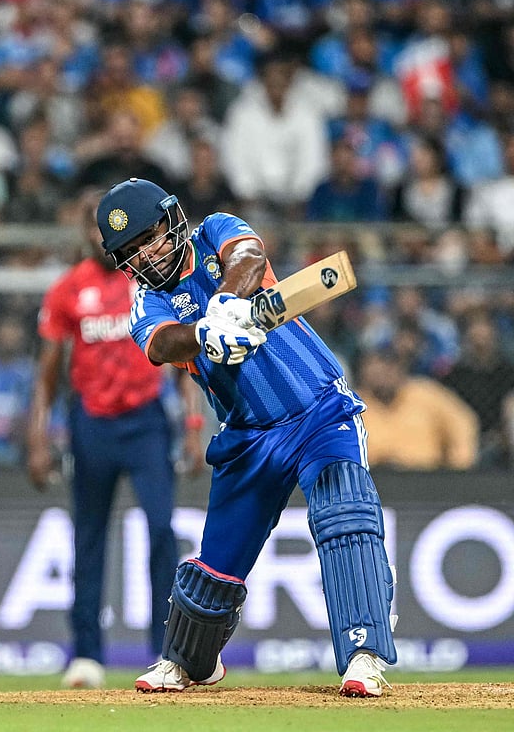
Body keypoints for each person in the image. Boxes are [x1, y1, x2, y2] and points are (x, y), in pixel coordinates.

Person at [96, 177, 397, 697]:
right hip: (249, 436)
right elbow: (164, 344)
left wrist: (229, 305)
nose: (146, 255)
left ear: (172, 221)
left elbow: (251, 258)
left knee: (344, 515)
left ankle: (363, 654)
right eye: (132, 252)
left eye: (150, 238)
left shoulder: (215, 232)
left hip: (319, 409)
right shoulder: (147, 304)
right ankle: (189, 662)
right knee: (216, 566)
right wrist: (205, 335)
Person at [28, 191, 200, 689]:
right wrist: (38, 439)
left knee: (163, 531)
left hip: (146, 421)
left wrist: (191, 428)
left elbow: (182, 358)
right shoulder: (67, 290)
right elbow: (47, 375)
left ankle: (168, 652)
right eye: (96, 228)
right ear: (87, 233)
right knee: (88, 536)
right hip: (92, 423)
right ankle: (86, 655)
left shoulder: (147, 283)